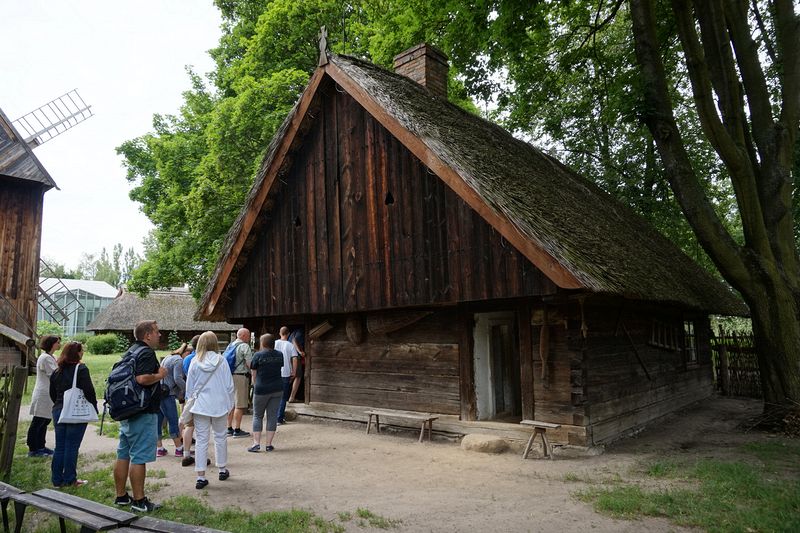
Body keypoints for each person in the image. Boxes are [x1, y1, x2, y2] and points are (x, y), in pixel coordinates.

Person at [113, 320, 167, 513]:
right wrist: (160, 375)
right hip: (142, 411)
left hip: (127, 409)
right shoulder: (146, 352)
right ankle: (139, 500)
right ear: (148, 335)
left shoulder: (130, 351)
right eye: (157, 332)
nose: (160, 335)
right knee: (139, 457)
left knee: (123, 453)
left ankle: (121, 496)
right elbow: (142, 379)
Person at [185, 331, 234, 489]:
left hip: (200, 406)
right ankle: (222, 469)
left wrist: (189, 404)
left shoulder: (194, 361)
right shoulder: (222, 361)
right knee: (220, 437)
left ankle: (200, 476)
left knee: (201, 440)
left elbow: (189, 388)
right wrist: (229, 404)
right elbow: (229, 385)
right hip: (219, 405)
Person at [49, 342, 97, 487]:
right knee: (71, 446)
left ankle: (57, 480)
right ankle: (70, 479)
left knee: (60, 447)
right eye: (81, 351)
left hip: (58, 410)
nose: (83, 353)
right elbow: (89, 390)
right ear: (77, 353)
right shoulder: (81, 369)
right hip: (75, 411)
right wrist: (93, 405)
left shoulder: (57, 371)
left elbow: (52, 393)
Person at [247, 334, 284, 452]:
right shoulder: (280, 355)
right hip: (277, 388)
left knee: (258, 415)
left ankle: (256, 444)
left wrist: (254, 384)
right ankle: (269, 444)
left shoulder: (258, 355)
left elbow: (254, 373)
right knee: (272, 416)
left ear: (263, 343)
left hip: (261, 389)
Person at [27, 335, 61, 457]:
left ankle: (41, 446)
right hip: (43, 394)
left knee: (45, 421)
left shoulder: (53, 357)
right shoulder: (45, 358)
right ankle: (33, 449)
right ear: (51, 344)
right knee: (38, 421)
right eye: (57, 342)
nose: (59, 344)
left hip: (49, 393)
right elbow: (54, 375)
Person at [156, 343, 190, 457]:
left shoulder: (168, 357)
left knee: (159, 419)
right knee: (173, 419)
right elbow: (177, 378)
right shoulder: (179, 360)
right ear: (186, 353)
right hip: (168, 393)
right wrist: (187, 389)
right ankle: (179, 448)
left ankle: (159, 448)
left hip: (159, 391)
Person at [226, 328, 253, 438]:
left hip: (229, 376)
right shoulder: (244, 346)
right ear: (244, 336)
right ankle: (237, 429)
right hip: (240, 377)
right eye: (248, 335)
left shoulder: (230, 346)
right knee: (240, 404)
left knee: (231, 403)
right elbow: (249, 364)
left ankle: (229, 428)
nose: (249, 337)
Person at [275, 326, 299, 424]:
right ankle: (279, 419)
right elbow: (294, 358)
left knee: (274, 396)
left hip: (274, 373)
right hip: (285, 373)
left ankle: (272, 418)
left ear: (279, 333)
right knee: (283, 397)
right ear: (288, 334)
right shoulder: (290, 345)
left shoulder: (274, 343)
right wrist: (294, 371)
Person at [288, 326, 305, 403]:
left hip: (290, 356)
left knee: (291, 376)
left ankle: (285, 395)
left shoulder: (293, 332)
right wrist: (300, 351)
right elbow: (294, 340)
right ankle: (291, 397)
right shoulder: (300, 330)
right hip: (295, 356)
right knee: (297, 377)